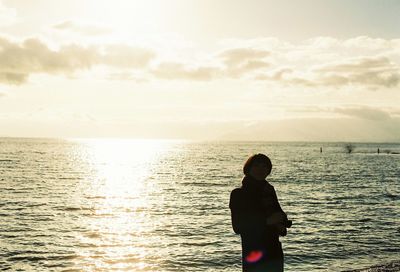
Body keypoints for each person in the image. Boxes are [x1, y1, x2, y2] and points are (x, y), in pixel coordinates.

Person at [229, 154, 291, 272]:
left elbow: (278, 214)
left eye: (264, 166)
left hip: (274, 253)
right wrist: (267, 221)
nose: (260, 170)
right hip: (253, 253)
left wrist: (282, 222)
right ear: (248, 168)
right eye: (256, 166)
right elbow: (238, 226)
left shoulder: (269, 190)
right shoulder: (239, 194)